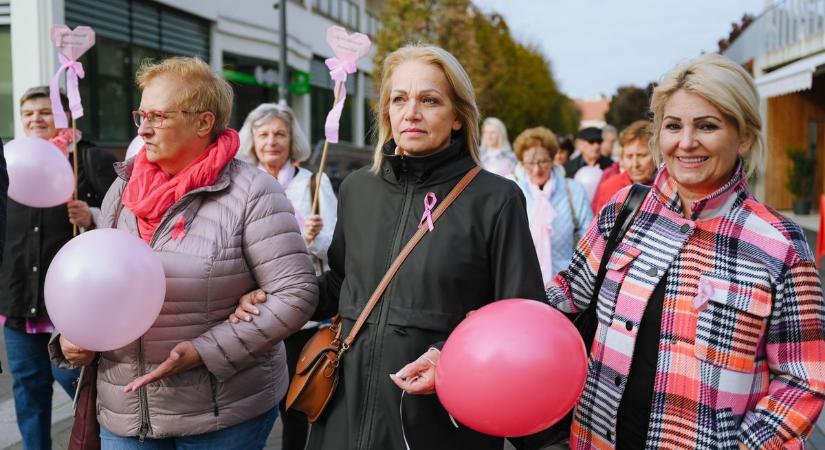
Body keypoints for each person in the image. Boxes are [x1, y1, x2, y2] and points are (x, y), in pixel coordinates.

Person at [233, 44, 546, 450]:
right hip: (344, 410)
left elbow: (518, 316)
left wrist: (446, 358)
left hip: (438, 418)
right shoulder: (358, 188)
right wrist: (272, 298)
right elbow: (342, 283)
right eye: (399, 99)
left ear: (457, 117)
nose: (411, 112)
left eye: (429, 100)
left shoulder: (496, 198)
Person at [545, 54, 825, 449]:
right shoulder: (625, 210)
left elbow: (803, 379)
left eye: (707, 126)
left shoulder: (780, 245)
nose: (686, 142)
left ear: (743, 136)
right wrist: (478, 325)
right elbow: (564, 296)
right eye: (673, 126)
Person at [50, 57, 318, 449]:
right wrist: (72, 335)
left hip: (221, 416)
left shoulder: (253, 192)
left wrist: (204, 351)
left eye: (157, 116)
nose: (143, 128)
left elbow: (296, 295)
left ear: (203, 122)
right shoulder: (123, 190)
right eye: (141, 114)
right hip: (126, 413)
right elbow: (93, 279)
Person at [0, 86, 117, 449]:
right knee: (28, 390)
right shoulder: (9, 160)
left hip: (70, 303)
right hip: (17, 299)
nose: (36, 119)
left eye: (45, 112)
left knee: (79, 387)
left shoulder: (89, 159)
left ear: (64, 117)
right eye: (29, 113)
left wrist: (91, 216)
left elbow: (122, 221)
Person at [237, 102, 337, 450]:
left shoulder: (314, 184)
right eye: (263, 134)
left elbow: (338, 249)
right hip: (254, 309)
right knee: (253, 403)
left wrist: (316, 238)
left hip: (302, 314)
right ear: (252, 140)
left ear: (291, 139)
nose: (271, 141)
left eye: (279, 133)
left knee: (294, 404)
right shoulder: (242, 183)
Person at [513, 126, 592, 286]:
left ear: (553, 158)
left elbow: (589, 239)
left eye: (543, 161)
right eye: (530, 163)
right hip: (525, 285)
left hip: (566, 285)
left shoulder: (573, 190)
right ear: (521, 163)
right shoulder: (514, 193)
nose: (537, 169)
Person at [591, 120, 656, 213]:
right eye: (629, 156)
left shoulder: (669, 188)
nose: (635, 164)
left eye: (642, 155)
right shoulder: (608, 187)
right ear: (622, 158)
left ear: (656, 155)